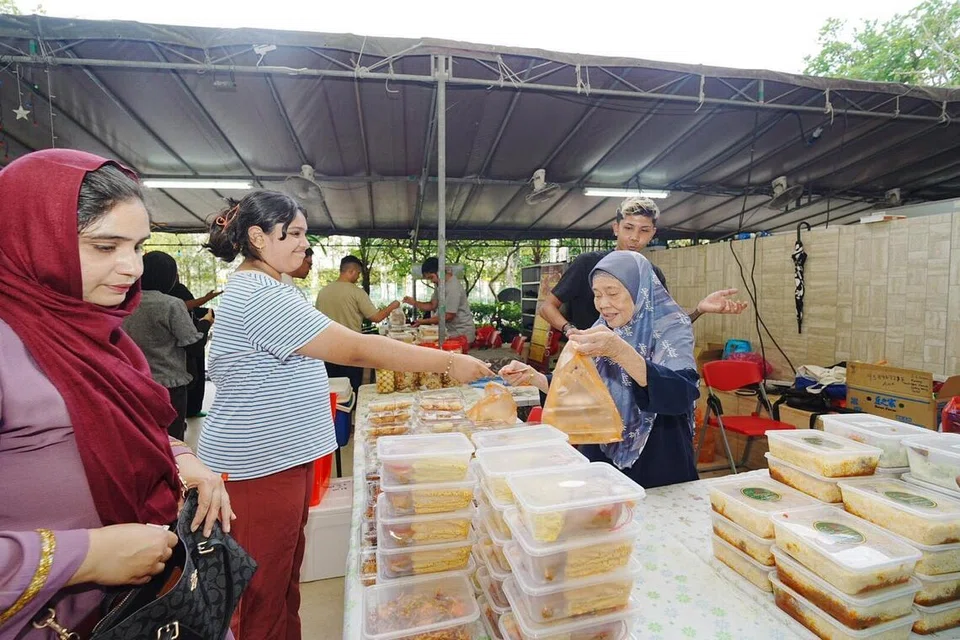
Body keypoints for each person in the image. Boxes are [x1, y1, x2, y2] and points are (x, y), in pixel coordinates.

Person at [200, 191, 493, 640]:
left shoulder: (275, 287)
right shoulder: (258, 294)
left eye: (303, 232)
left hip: (279, 456)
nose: (303, 243)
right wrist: (447, 363)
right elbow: (355, 347)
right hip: (258, 464)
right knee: (260, 590)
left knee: (281, 580)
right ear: (257, 237)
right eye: (294, 233)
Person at [0, 149, 234, 639]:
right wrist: (82, 557)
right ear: (34, 240)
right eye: (105, 248)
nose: (131, 269)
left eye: (137, 247)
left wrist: (181, 459)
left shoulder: (100, 332)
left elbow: (127, 427)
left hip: (137, 606)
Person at [502, 251, 700, 489]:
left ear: (640, 290)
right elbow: (584, 386)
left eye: (613, 293)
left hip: (658, 455)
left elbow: (682, 394)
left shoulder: (671, 326)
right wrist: (534, 378)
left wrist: (621, 352)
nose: (604, 304)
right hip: (602, 447)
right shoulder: (603, 326)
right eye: (597, 295)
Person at [539, 196, 748, 335]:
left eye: (644, 230)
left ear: (653, 233)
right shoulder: (588, 263)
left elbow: (667, 324)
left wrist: (700, 309)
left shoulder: (652, 273)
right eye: (628, 228)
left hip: (630, 368)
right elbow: (547, 307)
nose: (635, 238)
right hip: (587, 362)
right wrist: (571, 331)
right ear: (616, 228)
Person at [123, 251, 213, 440]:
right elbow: (194, 346)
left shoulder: (124, 302)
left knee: (142, 440)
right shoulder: (171, 304)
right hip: (169, 387)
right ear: (169, 276)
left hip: (133, 383)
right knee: (172, 442)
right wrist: (205, 323)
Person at [315, 255, 401, 393]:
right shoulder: (356, 292)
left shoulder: (323, 292)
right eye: (358, 273)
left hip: (327, 349)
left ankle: (335, 413)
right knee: (352, 387)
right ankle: (351, 411)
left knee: (333, 388)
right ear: (352, 272)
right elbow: (376, 317)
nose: (358, 277)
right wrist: (393, 306)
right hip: (351, 348)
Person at [169, 281, 221, 418]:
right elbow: (184, 306)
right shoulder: (165, 299)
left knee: (196, 375)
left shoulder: (178, 288)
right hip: (185, 339)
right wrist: (206, 299)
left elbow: (190, 308)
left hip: (193, 334)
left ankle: (193, 409)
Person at [403, 256, 476, 344]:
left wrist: (424, 322)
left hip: (461, 333)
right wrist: (414, 302)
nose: (431, 281)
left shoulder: (453, 287)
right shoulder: (440, 285)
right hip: (449, 330)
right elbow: (432, 305)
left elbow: (448, 315)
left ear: (439, 272)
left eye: (431, 277)